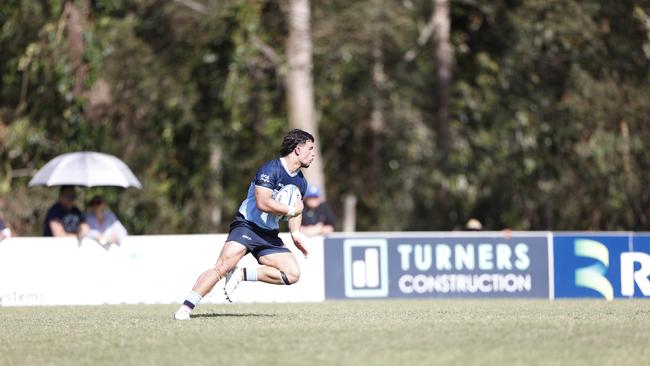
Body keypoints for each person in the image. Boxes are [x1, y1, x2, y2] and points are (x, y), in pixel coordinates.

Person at [174, 129, 315, 320]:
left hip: (268, 234)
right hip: (247, 226)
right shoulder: (270, 169)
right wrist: (291, 211)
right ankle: (186, 308)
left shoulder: (301, 182)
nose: (313, 154)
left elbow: (297, 208)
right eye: (310, 149)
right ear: (298, 149)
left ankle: (240, 274)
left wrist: (296, 233)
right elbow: (263, 203)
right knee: (222, 267)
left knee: (292, 274)